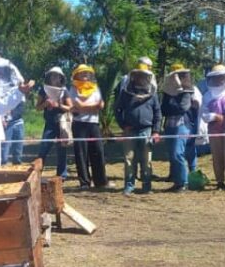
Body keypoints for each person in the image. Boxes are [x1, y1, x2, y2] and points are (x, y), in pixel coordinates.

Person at [114, 64, 160, 194]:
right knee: (129, 159)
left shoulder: (153, 94)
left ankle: (146, 186)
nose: (141, 78)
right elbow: (117, 110)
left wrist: (156, 131)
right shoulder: (126, 93)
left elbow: (157, 113)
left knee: (146, 160)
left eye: (144, 75)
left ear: (147, 77)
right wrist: (123, 125)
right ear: (134, 76)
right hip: (130, 131)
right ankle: (129, 185)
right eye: (139, 75)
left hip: (147, 130)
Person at [159, 65, 197, 192]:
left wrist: (171, 105)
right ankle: (177, 182)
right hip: (169, 125)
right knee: (172, 155)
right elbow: (163, 109)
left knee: (177, 153)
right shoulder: (168, 92)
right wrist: (171, 105)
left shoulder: (187, 91)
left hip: (182, 126)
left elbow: (183, 108)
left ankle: (183, 183)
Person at [68, 64, 107, 189]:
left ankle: (101, 182)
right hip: (79, 124)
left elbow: (101, 104)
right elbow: (78, 105)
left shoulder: (95, 88)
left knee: (98, 151)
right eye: (82, 72)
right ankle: (84, 182)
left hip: (94, 123)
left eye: (87, 72)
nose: (85, 74)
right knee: (81, 153)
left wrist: (91, 107)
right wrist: (93, 107)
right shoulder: (73, 88)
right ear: (77, 74)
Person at [37, 67, 72, 181]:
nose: (55, 77)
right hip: (50, 123)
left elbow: (70, 107)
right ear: (49, 77)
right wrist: (45, 104)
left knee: (62, 149)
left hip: (61, 123)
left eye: (57, 75)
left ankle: (62, 175)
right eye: (52, 75)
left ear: (61, 77)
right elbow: (37, 107)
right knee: (44, 148)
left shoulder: (64, 90)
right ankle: (37, 174)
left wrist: (59, 105)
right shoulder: (43, 90)